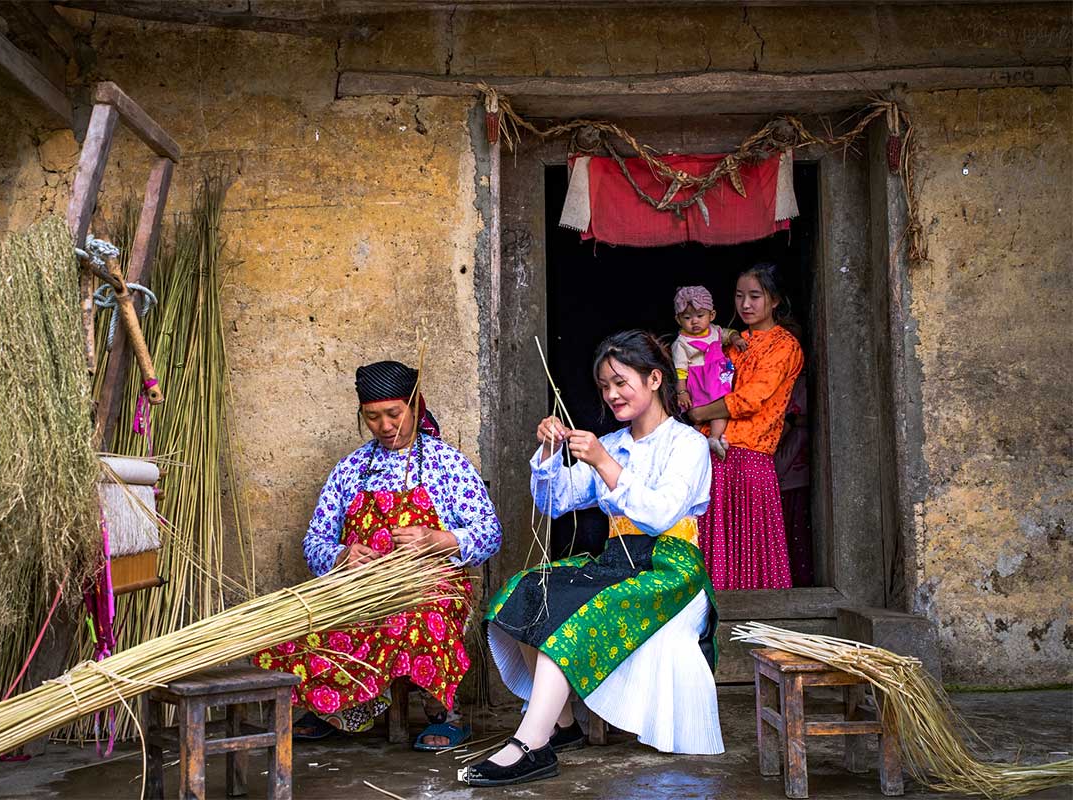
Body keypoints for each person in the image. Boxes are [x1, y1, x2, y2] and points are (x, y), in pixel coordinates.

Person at [462, 331, 723, 788]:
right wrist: (549, 453)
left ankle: (530, 745)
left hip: (671, 569)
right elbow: (554, 502)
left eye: (621, 382)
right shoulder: (614, 442)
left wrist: (604, 462)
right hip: (617, 561)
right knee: (528, 591)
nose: (612, 394)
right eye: (604, 386)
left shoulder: (687, 444)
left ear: (655, 379)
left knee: (573, 614)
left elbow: (661, 514)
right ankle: (561, 726)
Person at [253, 360, 502, 750]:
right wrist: (341, 557)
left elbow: (490, 533)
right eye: (372, 417)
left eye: (393, 414)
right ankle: (333, 706)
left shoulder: (447, 464)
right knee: (298, 622)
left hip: (430, 585)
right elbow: (314, 542)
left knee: (418, 617)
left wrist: (436, 539)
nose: (385, 426)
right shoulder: (350, 469)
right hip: (362, 587)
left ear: (415, 407)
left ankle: (442, 713)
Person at [688, 263, 803, 591]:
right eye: (740, 296)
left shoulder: (784, 345)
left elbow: (750, 399)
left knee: (752, 556)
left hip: (751, 459)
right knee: (713, 552)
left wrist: (700, 413)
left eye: (755, 296)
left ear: (775, 300)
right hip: (711, 456)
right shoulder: (726, 344)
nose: (746, 304)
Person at [671, 285, 747, 460]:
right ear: (678, 319)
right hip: (699, 383)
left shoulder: (715, 331)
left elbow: (728, 334)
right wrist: (682, 392)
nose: (694, 321)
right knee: (699, 415)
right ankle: (702, 440)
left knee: (719, 409)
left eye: (700, 316)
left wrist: (736, 338)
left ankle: (715, 437)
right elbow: (680, 371)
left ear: (711, 315)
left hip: (718, 379)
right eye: (687, 317)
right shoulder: (681, 343)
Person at [774, 374, 813, 586]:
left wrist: (793, 421)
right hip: (778, 473)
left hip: (799, 475)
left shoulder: (804, 384)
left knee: (801, 539)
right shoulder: (773, 381)